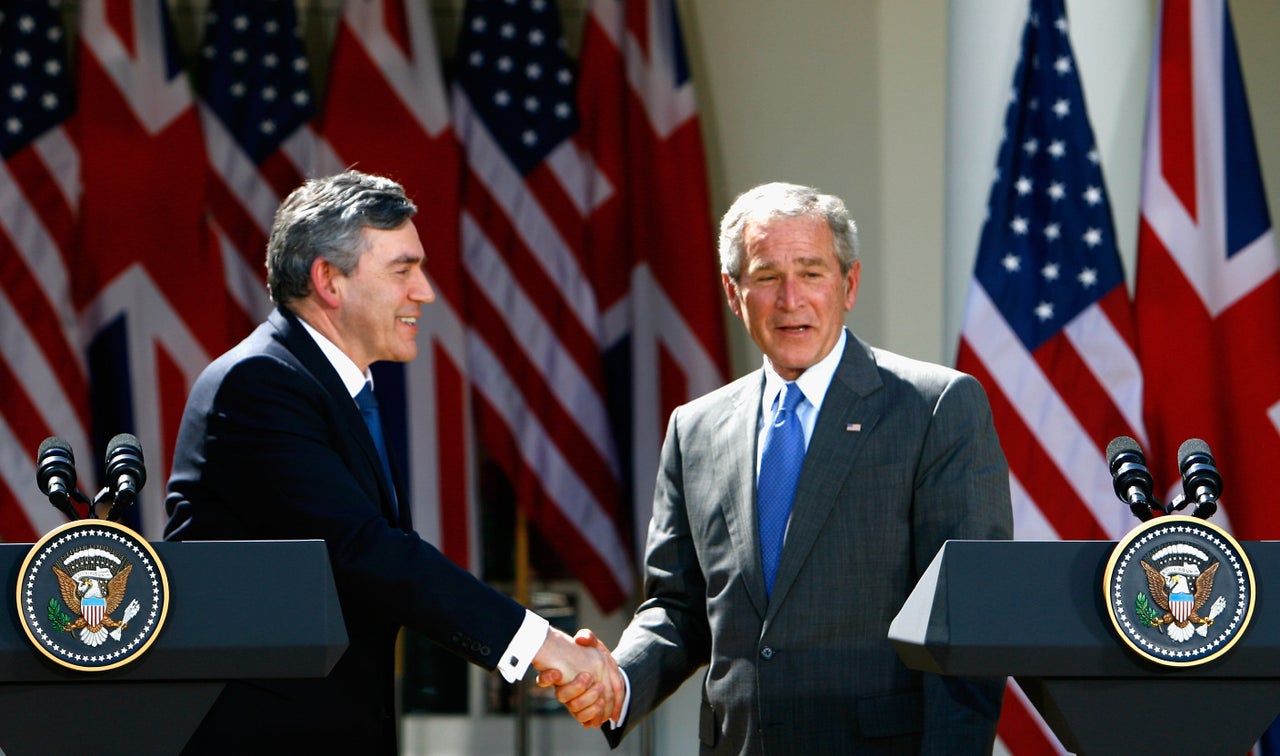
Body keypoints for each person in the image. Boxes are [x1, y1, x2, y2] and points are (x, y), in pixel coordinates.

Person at [544, 181, 1013, 753]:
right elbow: (679, 605)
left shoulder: (933, 409)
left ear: (849, 284)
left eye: (812, 272)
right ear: (734, 293)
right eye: (767, 276)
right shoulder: (695, 430)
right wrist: (619, 678)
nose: (791, 298)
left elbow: (968, 620)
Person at [165, 170, 621, 753]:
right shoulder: (258, 384)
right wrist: (540, 644)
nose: (425, 291)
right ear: (329, 279)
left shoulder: (332, 388)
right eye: (403, 270)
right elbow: (366, 551)